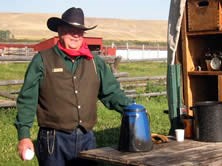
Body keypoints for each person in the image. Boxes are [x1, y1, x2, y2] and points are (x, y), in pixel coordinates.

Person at [15, 7, 134, 166]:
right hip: (53, 140)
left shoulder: (94, 62)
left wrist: (134, 110)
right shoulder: (42, 60)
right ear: (60, 31)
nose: (76, 35)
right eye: (71, 30)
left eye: (80, 31)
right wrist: (24, 136)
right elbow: (27, 100)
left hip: (87, 138)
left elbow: (111, 93)